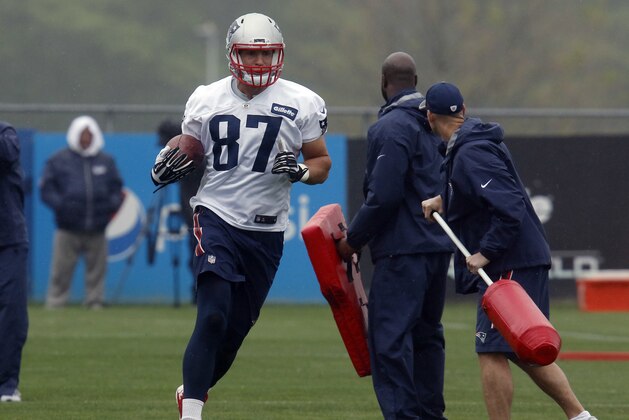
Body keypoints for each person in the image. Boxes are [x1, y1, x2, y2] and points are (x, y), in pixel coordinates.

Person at [150, 13, 331, 420]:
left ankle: (192, 392)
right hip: (215, 214)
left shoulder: (302, 101)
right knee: (212, 313)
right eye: (250, 53)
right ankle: (192, 415)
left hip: (265, 230)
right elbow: (189, 150)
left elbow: (321, 161)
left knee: (232, 334)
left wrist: (301, 172)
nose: (258, 63)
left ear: (278, 56)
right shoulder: (206, 98)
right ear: (234, 54)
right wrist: (165, 163)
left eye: (265, 55)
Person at [420, 82, 596, 420]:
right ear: (463, 109)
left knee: (490, 351)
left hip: (511, 263)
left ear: (430, 116)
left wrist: (485, 252)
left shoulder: (471, 152)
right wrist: (443, 200)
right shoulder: (469, 144)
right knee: (521, 351)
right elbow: (484, 195)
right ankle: (581, 417)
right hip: (520, 260)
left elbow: (510, 206)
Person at [335, 52, 453, 420]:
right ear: (415, 80)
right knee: (427, 335)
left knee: (389, 339)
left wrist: (353, 239)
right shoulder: (438, 122)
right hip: (439, 247)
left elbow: (383, 197)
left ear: (383, 83)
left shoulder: (390, 128)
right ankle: (431, 414)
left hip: (403, 251)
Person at [40, 115, 124, 309]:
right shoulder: (58, 160)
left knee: (97, 270)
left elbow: (117, 189)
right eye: (82, 135)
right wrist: (62, 207)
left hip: (98, 225)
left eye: (89, 135)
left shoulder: (106, 160)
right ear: (74, 135)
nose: (86, 139)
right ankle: (56, 302)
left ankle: (94, 301)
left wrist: (109, 208)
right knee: (61, 269)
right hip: (67, 227)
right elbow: (47, 189)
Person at [0, 122, 29, 403]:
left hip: (8, 239)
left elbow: (7, 153)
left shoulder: (5, 133)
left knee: (11, 314)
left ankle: (7, 384)